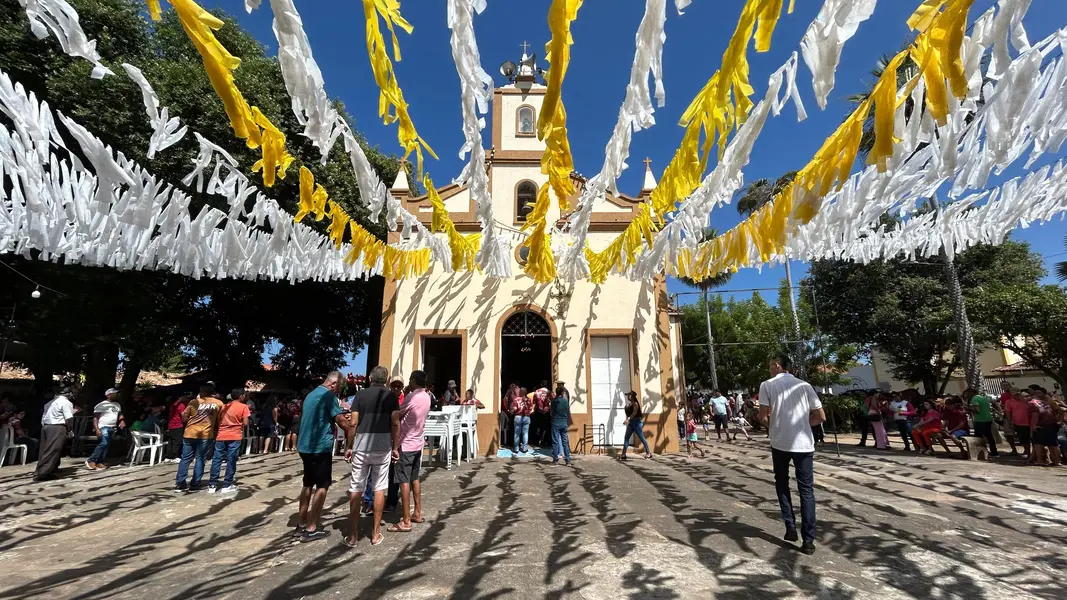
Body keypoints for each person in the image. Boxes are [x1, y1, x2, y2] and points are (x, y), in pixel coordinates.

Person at [759, 354, 824, 555]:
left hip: (780, 443)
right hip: (804, 444)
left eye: (771, 365)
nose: (770, 369)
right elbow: (820, 416)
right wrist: (804, 425)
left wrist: (774, 426)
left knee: (782, 483)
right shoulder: (805, 386)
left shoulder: (767, 385)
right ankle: (809, 540)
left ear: (777, 365)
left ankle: (790, 526)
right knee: (807, 491)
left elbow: (762, 416)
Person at [343, 365, 400, 548]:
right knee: (379, 488)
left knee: (356, 487)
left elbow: (353, 423)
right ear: (387, 380)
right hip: (383, 445)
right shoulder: (391, 396)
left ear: (370, 378)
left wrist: (349, 446)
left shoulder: (360, 395)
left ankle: (352, 536)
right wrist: (395, 446)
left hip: (362, 444)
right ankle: (375, 534)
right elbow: (395, 422)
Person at [296, 372, 349, 542]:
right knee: (322, 485)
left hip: (305, 445)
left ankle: (302, 522)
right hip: (320, 446)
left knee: (307, 483)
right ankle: (311, 528)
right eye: (339, 387)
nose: (339, 391)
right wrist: (352, 425)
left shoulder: (311, 395)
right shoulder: (328, 396)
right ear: (333, 384)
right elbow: (340, 420)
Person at [389, 370, 430, 533]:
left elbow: (398, 415)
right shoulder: (426, 396)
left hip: (406, 444)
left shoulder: (412, 397)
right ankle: (417, 512)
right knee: (415, 478)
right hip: (418, 442)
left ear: (414, 380)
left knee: (403, 481)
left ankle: (405, 520)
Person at [174, 383, 224, 492]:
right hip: (206, 434)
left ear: (203, 392)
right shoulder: (218, 403)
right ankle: (195, 483)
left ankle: (180, 484)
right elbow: (220, 420)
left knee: (185, 459)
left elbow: (184, 416)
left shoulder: (193, 402)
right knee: (200, 459)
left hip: (189, 433)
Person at [208, 390, 251, 493]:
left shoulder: (223, 407)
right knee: (231, 460)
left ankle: (212, 485)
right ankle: (227, 485)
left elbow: (218, 421)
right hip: (235, 436)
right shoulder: (243, 407)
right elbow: (245, 423)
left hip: (221, 435)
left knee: (217, 459)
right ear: (241, 396)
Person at [34, 388, 78, 482]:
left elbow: (44, 417)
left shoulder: (49, 403)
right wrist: (69, 430)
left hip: (46, 426)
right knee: (53, 450)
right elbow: (69, 418)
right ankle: (43, 473)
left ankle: (47, 469)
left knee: (44, 450)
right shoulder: (66, 402)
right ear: (68, 394)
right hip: (57, 427)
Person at [86, 388, 124, 470]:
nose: (116, 395)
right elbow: (95, 418)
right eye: (114, 393)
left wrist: (121, 421)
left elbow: (120, 414)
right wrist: (97, 429)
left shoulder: (117, 405)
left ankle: (100, 462)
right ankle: (91, 460)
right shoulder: (101, 405)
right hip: (103, 426)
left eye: (117, 394)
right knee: (104, 443)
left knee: (106, 445)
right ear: (108, 395)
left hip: (112, 427)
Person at [1028, 387, 1062, 467]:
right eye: (1036, 393)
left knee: (1042, 444)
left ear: (1044, 394)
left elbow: (1036, 414)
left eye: (1039, 393)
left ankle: (1047, 461)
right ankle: (1053, 461)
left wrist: (1034, 425)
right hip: (1047, 425)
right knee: (1050, 444)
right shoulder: (1043, 402)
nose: (1038, 395)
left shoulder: (1036, 403)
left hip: (1044, 425)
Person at [966, 388, 999, 457]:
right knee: (989, 436)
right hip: (988, 419)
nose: (967, 395)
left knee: (978, 437)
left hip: (980, 420)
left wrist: (967, 409)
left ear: (971, 392)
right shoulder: (983, 398)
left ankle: (980, 452)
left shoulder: (974, 398)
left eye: (967, 393)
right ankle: (994, 452)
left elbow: (977, 410)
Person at [621, 391, 652, 460]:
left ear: (632, 396)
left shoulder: (635, 404)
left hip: (637, 423)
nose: (627, 396)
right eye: (627, 395)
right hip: (631, 422)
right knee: (626, 438)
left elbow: (634, 413)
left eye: (629, 395)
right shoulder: (629, 404)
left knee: (642, 438)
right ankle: (623, 454)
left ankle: (648, 453)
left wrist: (628, 419)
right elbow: (629, 414)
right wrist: (628, 419)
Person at [549, 383, 571, 466]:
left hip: (556, 422)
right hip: (564, 422)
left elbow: (552, 413)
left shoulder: (554, 401)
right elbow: (567, 412)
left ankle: (555, 459)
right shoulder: (565, 402)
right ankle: (568, 460)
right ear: (562, 393)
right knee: (565, 442)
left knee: (555, 441)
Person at [164, 394, 188, 463]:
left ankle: (168, 456)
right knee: (177, 441)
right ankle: (175, 456)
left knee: (171, 441)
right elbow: (183, 415)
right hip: (177, 425)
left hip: (171, 425)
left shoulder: (173, 405)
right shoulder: (180, 405)